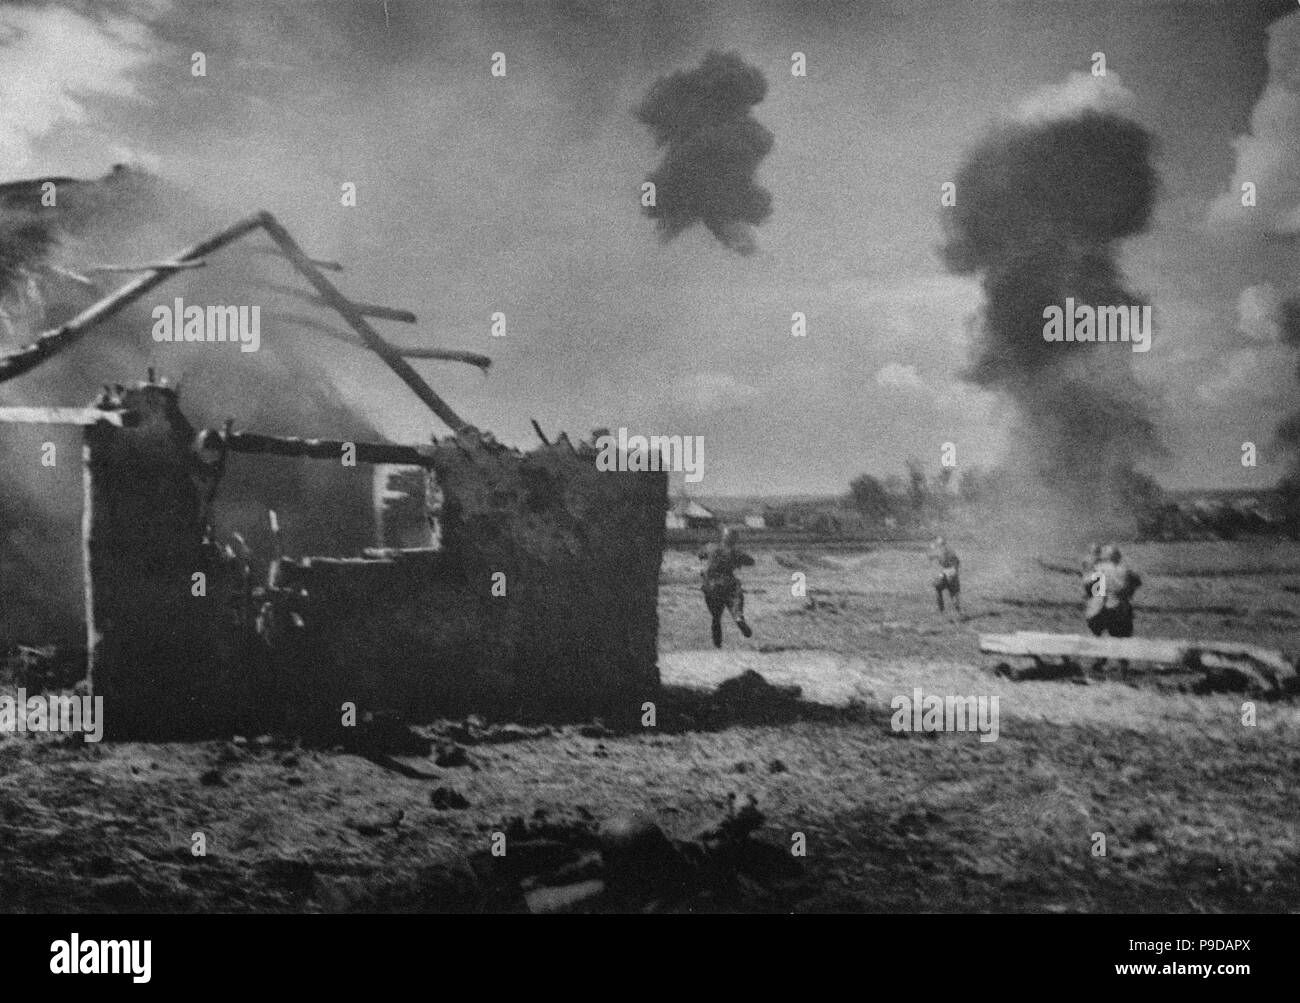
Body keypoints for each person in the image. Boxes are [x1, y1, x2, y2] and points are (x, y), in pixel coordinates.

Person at [698, 526, 755, 648]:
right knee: (736, 602)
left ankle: (717, 644)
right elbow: (751, 561)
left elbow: (700, 555)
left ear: (723, 537)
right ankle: (739, 618)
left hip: (710, 585)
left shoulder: (710, 547)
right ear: (734, 540)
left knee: (716, 617)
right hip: (728, 583)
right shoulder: (735, 552)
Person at [1083, 544, 1142, 638]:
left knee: (1095, 635)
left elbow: (1091, 589)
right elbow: (1137, 582)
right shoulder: (1126, 569)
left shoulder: (1098, 568)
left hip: (1099, 607)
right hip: (1120, 607)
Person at [928, 535, 961, 615]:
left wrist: (932, 548)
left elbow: (930, 557)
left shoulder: (938, 550)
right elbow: (957, 561)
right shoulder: (950, 550)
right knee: (953, 593)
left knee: (938, 589)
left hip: (945, 572)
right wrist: (955, 571)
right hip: (953, 572)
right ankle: (958, 612)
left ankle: (941, 611)